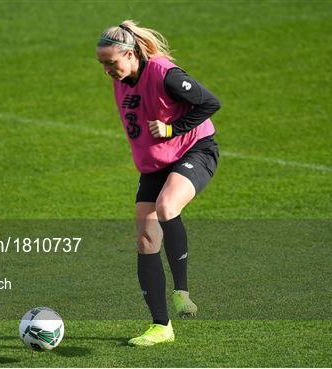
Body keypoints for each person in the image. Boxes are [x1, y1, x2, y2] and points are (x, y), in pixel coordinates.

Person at [96, 20, 221, 346]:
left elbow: (210, 103)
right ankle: (161, 327)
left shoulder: (165, 74)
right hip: (155, 166)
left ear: (131, 53)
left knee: (167, 206)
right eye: (103, 64)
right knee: (145, 241)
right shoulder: (123, 78)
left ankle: (182, 293)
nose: (108, 70)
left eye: (112, 62)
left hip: (195, 150)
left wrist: (171, 129)